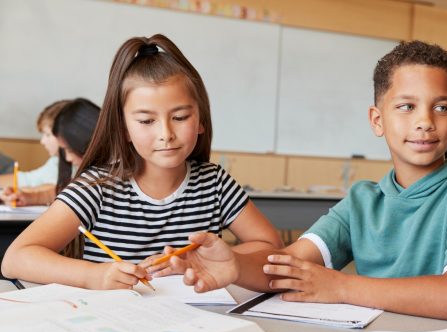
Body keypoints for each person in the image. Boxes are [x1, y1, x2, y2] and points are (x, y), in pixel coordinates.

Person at [164, 41, 447, 320]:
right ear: (377, 120)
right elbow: (287, 266)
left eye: (441, 108)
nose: (425, 121)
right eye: (406, 106)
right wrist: (235, 265)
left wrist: (341, 287)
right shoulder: (363, 200)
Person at [1, 34, 282, 289]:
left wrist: (216, 259)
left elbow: (271, 246)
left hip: (196, 323)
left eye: (180, 117)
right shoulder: (98, 187)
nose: (166, 134)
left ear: (201, 121)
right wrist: (94, 275)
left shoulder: (214, 182)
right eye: (147, 121)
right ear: (123, 128)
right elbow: (15, 258)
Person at [0, 98, 99, 207]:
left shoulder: (95, 172)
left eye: (47, 134)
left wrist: (31, 195)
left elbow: (68, 189)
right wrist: (29, 197)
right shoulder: (57, 162)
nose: (42, 141)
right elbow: (58, 188)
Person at [0, 100, 69, 189]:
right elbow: (29, 179)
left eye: (47, 134)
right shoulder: (55, 161)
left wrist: (27, 195)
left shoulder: (78, 165)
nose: (42, 141)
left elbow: (57, 190)